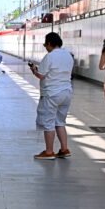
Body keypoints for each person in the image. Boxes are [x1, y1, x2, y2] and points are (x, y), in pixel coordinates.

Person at [29, 32, 74, 160]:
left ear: (49, 43)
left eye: (45, 45)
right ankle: (64, 149)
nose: (45, 47)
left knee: (48, 122)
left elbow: (41, 75)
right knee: (60, 122)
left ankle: (49, 152)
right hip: (66, 92)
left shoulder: (50, 56)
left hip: (52, 94)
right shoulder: (68, 55)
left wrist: (34, 70)